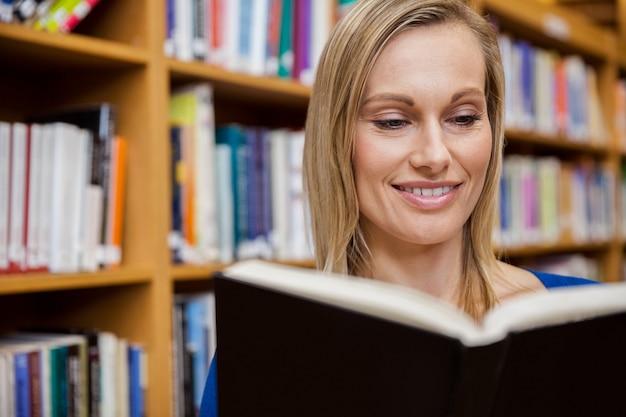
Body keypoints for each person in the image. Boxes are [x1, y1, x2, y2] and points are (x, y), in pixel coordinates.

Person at [199, 0, 597, 415]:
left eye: (462, 118)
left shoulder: (594, 326)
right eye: (393, 121)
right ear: (338, 141)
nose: (434, 155)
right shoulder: (262, 350)